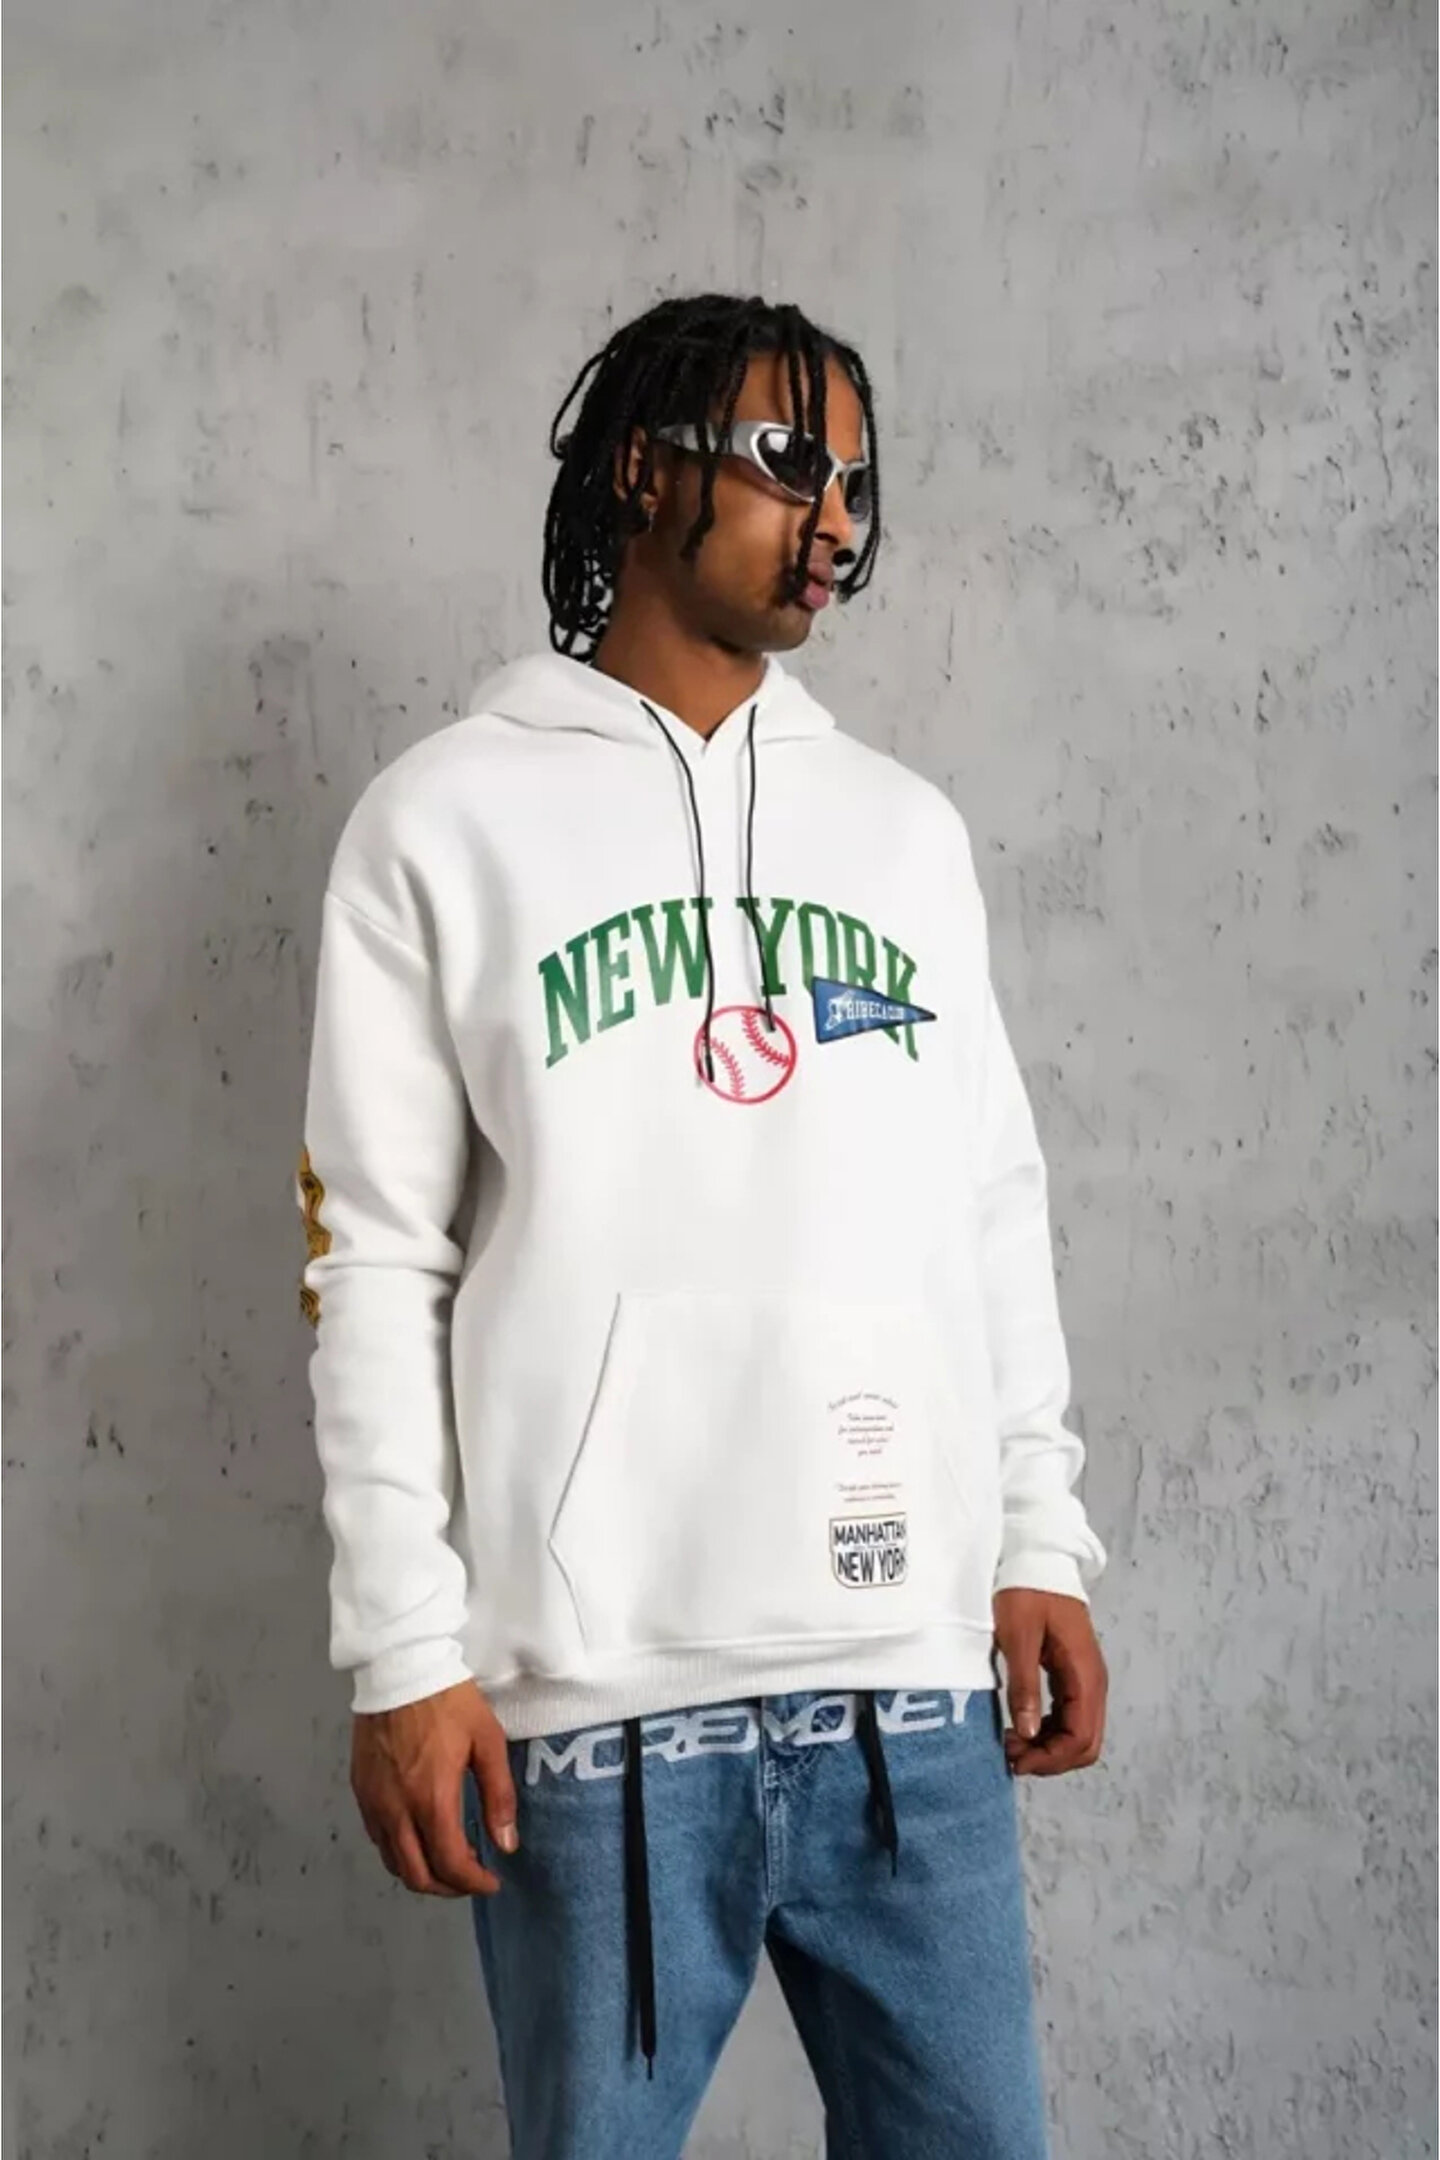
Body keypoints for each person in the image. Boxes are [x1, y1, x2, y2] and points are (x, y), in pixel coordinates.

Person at [295, 290, 1109, 2158]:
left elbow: (991, 1204)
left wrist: (1038, 1537)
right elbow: (376, 1258)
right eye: (788, 462)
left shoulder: (903, 833)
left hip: (913, 1693)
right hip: (599, 1719)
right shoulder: (442, 824)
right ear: (642, 470)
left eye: (858, 482)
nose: (835, 518)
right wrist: (403, 1651)